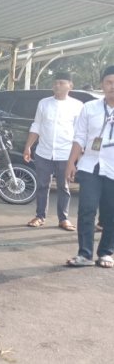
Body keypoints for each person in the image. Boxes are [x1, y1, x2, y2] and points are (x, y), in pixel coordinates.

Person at [64, 66, 114, 268]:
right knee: (87, 209)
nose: (112, 87)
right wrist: (71, 163)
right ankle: (84, 254)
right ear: (102, 84)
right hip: (90, 166)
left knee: (111, 213)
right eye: (109, 82)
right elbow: (80, 138)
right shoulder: (90, 108)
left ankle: (106, 253)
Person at [23, 72, 83, 231]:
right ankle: (40, 216)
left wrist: (78, 156)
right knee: (43, 185)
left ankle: (63, 219)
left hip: (65, 154)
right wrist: (28, 146)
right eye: (56, 83)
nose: (57, 85)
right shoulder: (44, 103)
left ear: (70, 86)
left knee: (64, 187)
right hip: (44, 152)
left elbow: (80, 133)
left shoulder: (77, 106)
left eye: (62, 83)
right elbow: (37, 126)